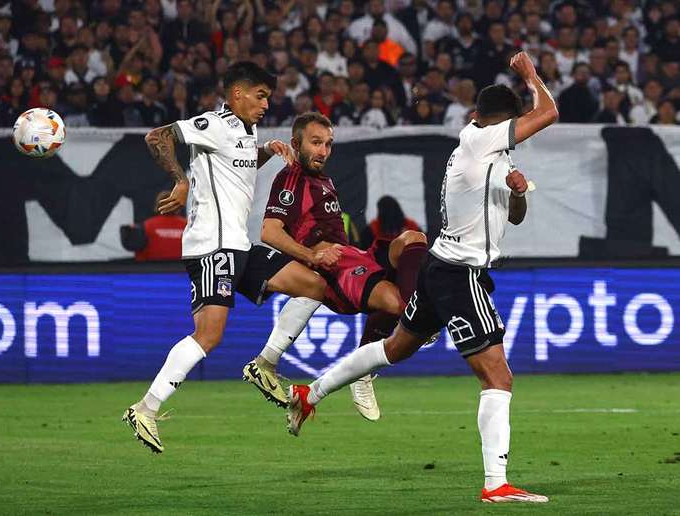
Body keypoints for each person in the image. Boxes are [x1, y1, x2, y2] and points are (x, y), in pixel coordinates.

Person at [285, 51, 558, 504]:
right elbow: (549, 111)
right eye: (513, 126)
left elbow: (516, 216)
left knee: (394, 348)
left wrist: (518, 193)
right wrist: (530, 75)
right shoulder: (482, 143)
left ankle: (309, 393)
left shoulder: (483, 152)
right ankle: (496, 484)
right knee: (498, 378)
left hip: (438, 267)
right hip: (459, 274)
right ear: (498, 124)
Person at [121, 62, 338, 454]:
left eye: (268, 98)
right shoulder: (215, 123)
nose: (265, 104)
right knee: (209, 335)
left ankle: (265, 364)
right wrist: (180, 179)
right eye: (260, 96)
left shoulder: (244, 130)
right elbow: (158, 137)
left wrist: (265, 152)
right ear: (237, 94)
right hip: (212, 246)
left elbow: (232, 164)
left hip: (239, 244)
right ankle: (146, 409)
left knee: (315, 284)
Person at [242, 112, 427, 421]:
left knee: (413, 239)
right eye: (316, 143)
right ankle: (369, 367)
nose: (323, 151)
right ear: (296, 144)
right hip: (337, 271)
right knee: (398, 304)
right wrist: (311, 257)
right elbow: (269, 232)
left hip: (356, 256)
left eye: (328, 144)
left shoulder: (323, 180)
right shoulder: (292, 177)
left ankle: (375, 357)